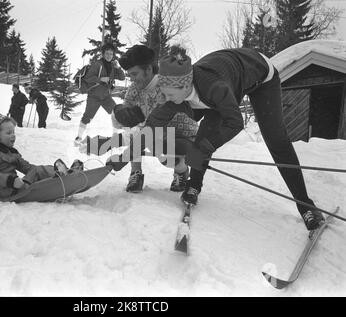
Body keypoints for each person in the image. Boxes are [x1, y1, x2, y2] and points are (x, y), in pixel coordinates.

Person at [107, 45, 324, 231]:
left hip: (260, 76)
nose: (165, 99)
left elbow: (235, 122)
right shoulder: (173, 94)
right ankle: (194, 185)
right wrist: (123, 159)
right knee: (203, 138)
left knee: (275, 140)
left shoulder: (215, 89)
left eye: (169, 95)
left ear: (184, 86)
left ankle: (306, 205)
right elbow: (150, 128)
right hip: (222, 78)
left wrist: (208, 145)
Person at [81, 45, 189, 193]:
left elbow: (154, 130)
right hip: (152, 133)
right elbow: (128, 120)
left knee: (166, 159)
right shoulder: (134, 89)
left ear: (149, 70)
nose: (131, 78)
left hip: (177, 133)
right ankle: (136, 172)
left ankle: (181, 171)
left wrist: (113, 145)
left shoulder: (164, 87)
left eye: (134, 74)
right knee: (136, 131)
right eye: (129, 74)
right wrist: (120, 115)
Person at [0, 113, 81, 199]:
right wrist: (11, 181)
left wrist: (37, 172)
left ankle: (64, 173)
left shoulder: (10, 151)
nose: (13, 136)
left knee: (36, 170)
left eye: (13, 132)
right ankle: (58, 177)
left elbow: (26, 167)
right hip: (1, 189)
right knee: (35, 174)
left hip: (14, 185)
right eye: (8, 133)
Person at [74, 42, 125, 145]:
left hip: (106, 96)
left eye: (111, 54)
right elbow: (88, 78)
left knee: (116, 114)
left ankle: (116, 137)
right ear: (103, 54)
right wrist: (101, 79)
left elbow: (122, 77)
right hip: (94, 96)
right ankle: (79, 137)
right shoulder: (97, 64)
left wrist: (118, 67)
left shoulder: (112, 65)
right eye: (107, 53)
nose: (109, 56)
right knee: (87, 117)